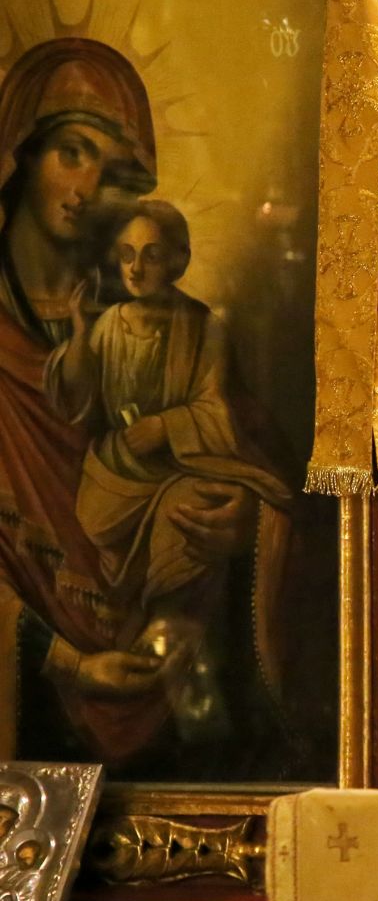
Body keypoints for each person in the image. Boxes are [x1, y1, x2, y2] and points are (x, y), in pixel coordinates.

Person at [0, 39, 266, 772]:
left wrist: (243, 519)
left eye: (108, 169)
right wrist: (65, 660)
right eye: (70, 152)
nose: (86, 186)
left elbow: (265, 474)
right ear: (20, 155)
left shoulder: (166, 320)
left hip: (165, 668)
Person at [48, 200, 292, 652]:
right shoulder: (108, 327)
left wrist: (166, 427)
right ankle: (117, 633)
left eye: (152, 255)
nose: (136, 269)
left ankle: (164, 634)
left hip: (176, 470)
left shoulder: (205, 328)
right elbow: (77, 402)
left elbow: (218, 412)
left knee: (187, 513)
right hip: (111, 477)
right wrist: (81, 334)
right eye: (126, 254)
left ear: (178, 260)